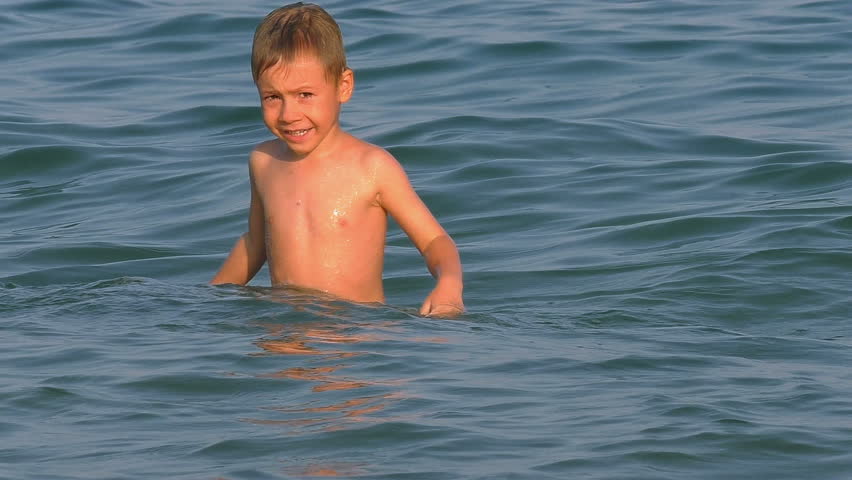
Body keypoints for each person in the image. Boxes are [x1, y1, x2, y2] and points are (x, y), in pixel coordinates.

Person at [211, 3, 464, 317]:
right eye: (273, 97)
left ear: (343, 86)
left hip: (353, 335)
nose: (289, 114)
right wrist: (210, 301)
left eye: (305, 94)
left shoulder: (371, 168)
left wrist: (449, 285)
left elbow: (434, 240)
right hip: (283, 330)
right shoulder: (263, 162)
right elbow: (255, 244)